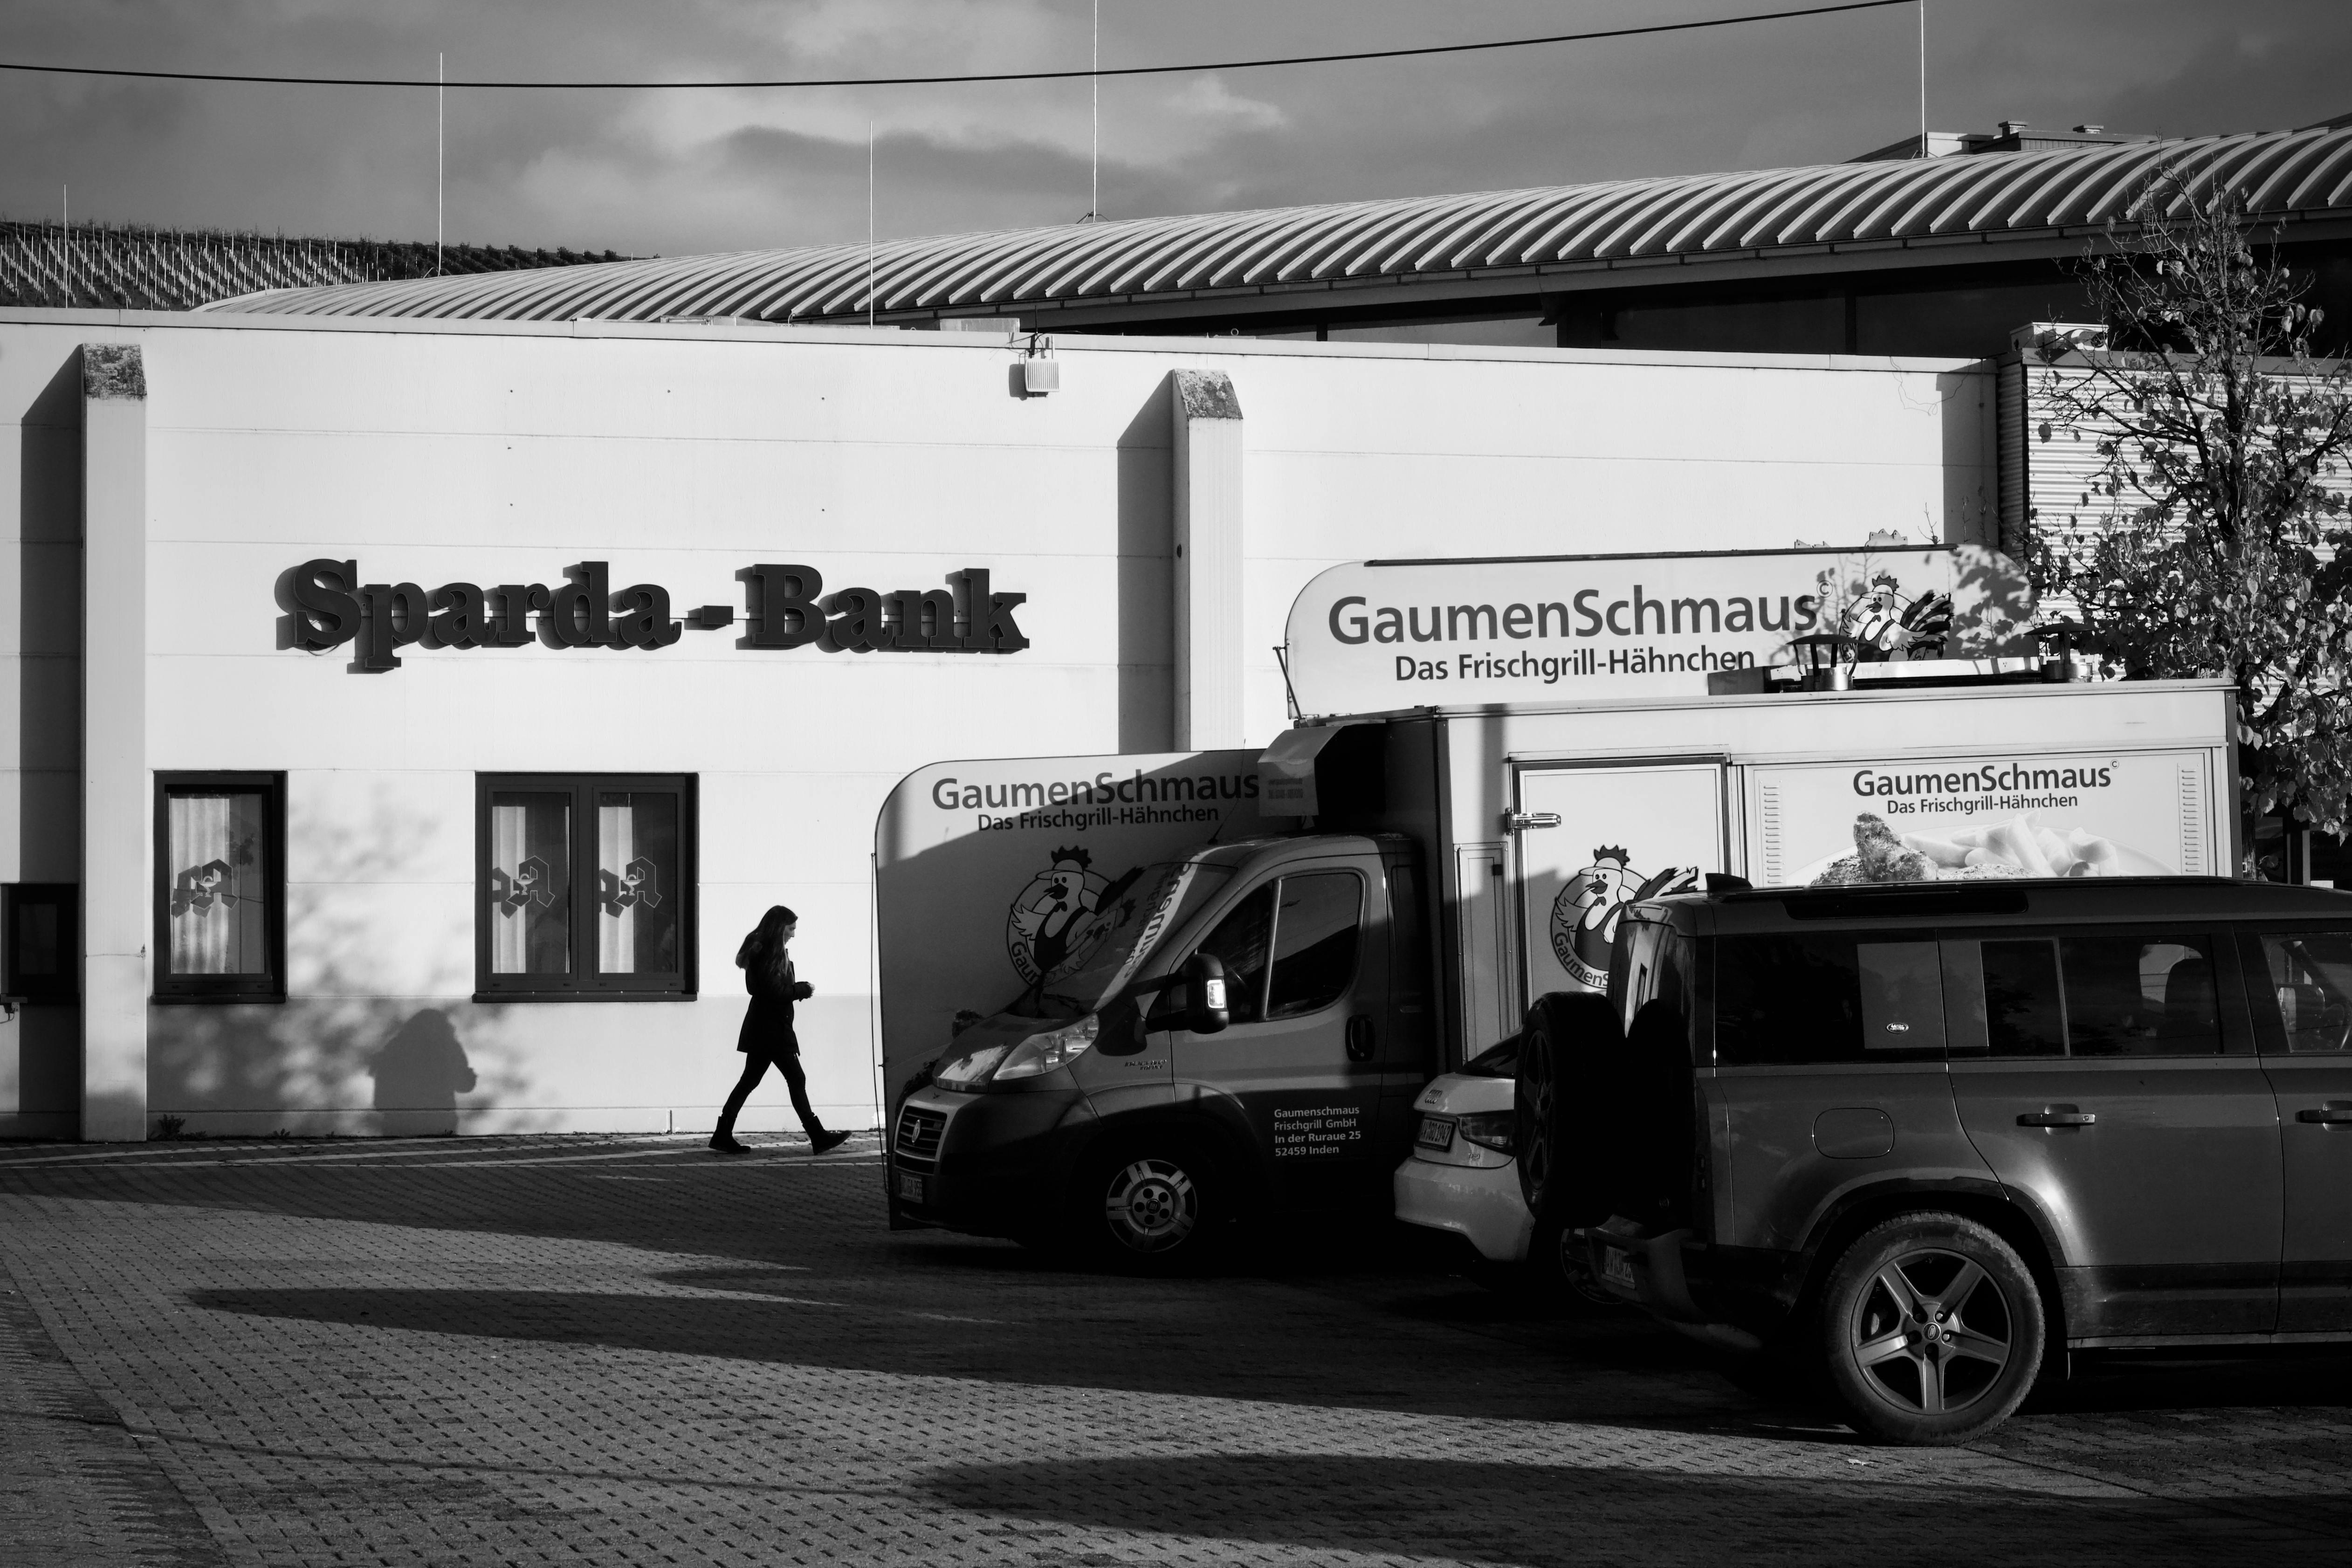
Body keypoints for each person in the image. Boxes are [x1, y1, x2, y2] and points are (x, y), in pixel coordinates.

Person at [712, 905, 851, 1155]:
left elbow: (762, 989)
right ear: (779, 928)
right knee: (796, 1079)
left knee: (749, 1081)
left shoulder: (761, 950)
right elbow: (775, 991)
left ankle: (723, 1133)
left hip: (763, 1027)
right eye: (791, 929)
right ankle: (818, 1135)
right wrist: (803, 989)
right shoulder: (769, 953)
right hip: (773, 1029)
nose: (794, 935)